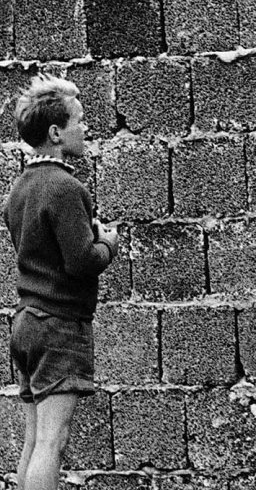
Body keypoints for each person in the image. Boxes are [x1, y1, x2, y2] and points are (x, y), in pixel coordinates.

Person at [4, 75, 119, 490]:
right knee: (54, 441)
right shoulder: (65, 187)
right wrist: (108, 244)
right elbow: (81, 261)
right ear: (56, 133)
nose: (84, 128)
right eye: (79, 121)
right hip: (58, 326)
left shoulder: (18, 190)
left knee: (33, 440)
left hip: (26, 324)